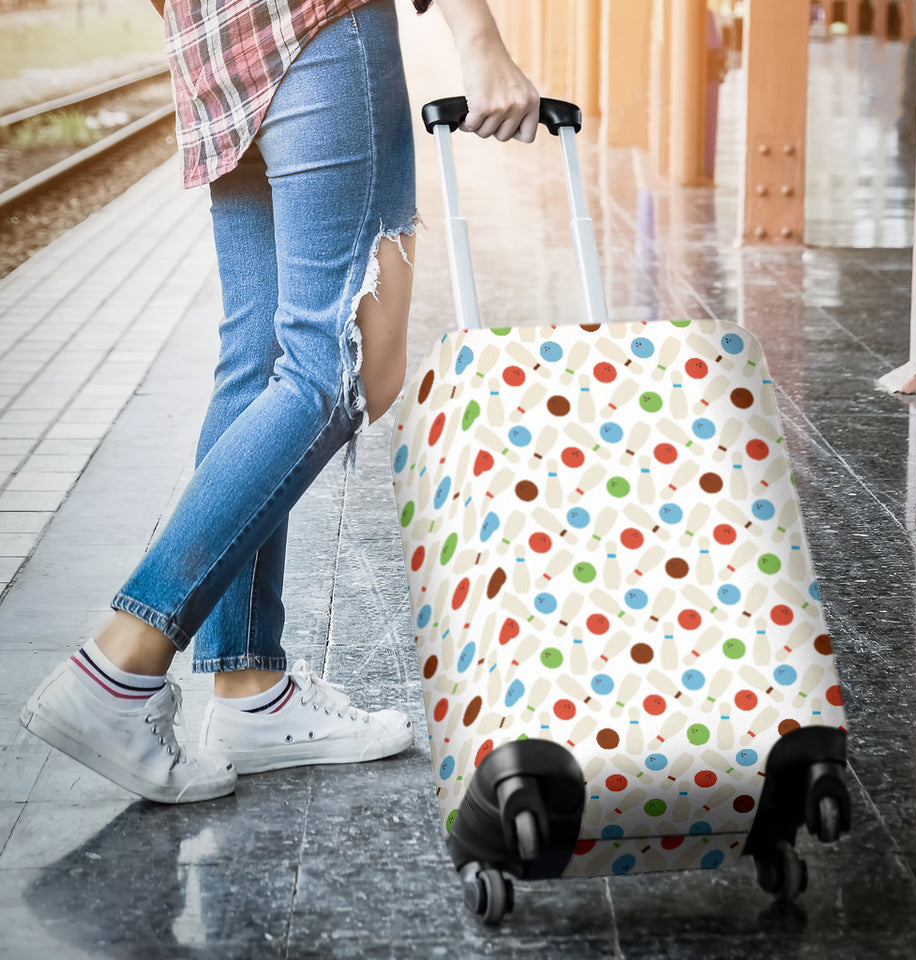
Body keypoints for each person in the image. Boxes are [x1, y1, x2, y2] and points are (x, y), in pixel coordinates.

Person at [20, 0, 540, 803]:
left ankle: (248, 689)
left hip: (213, 46)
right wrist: (480, 40)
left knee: (259, 361)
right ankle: (119, 666)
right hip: (319, 25)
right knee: (339, 367)